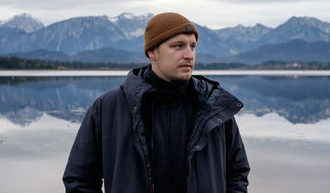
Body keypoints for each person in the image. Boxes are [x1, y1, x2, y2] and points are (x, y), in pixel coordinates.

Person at [63, 12, 250, 193]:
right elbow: (79, 180)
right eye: (178, 46)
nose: (189, 55)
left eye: (192, 46)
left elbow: (237, 173)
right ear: (152, 52)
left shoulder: (214, 106)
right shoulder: (107, 108)